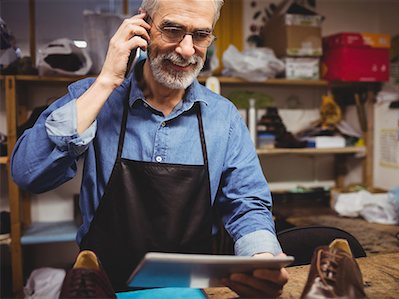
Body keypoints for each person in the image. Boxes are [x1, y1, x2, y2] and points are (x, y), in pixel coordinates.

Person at [11, 0, 289, 296]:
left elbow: (246, 204)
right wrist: (107, 81)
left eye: (200, 35)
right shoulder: (92, 98)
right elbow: (29, 173)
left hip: (190, 290)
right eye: (172, 30)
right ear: (142, 26)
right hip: (104, 287)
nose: (186, 49)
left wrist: (261, 260)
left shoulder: (224, 118)